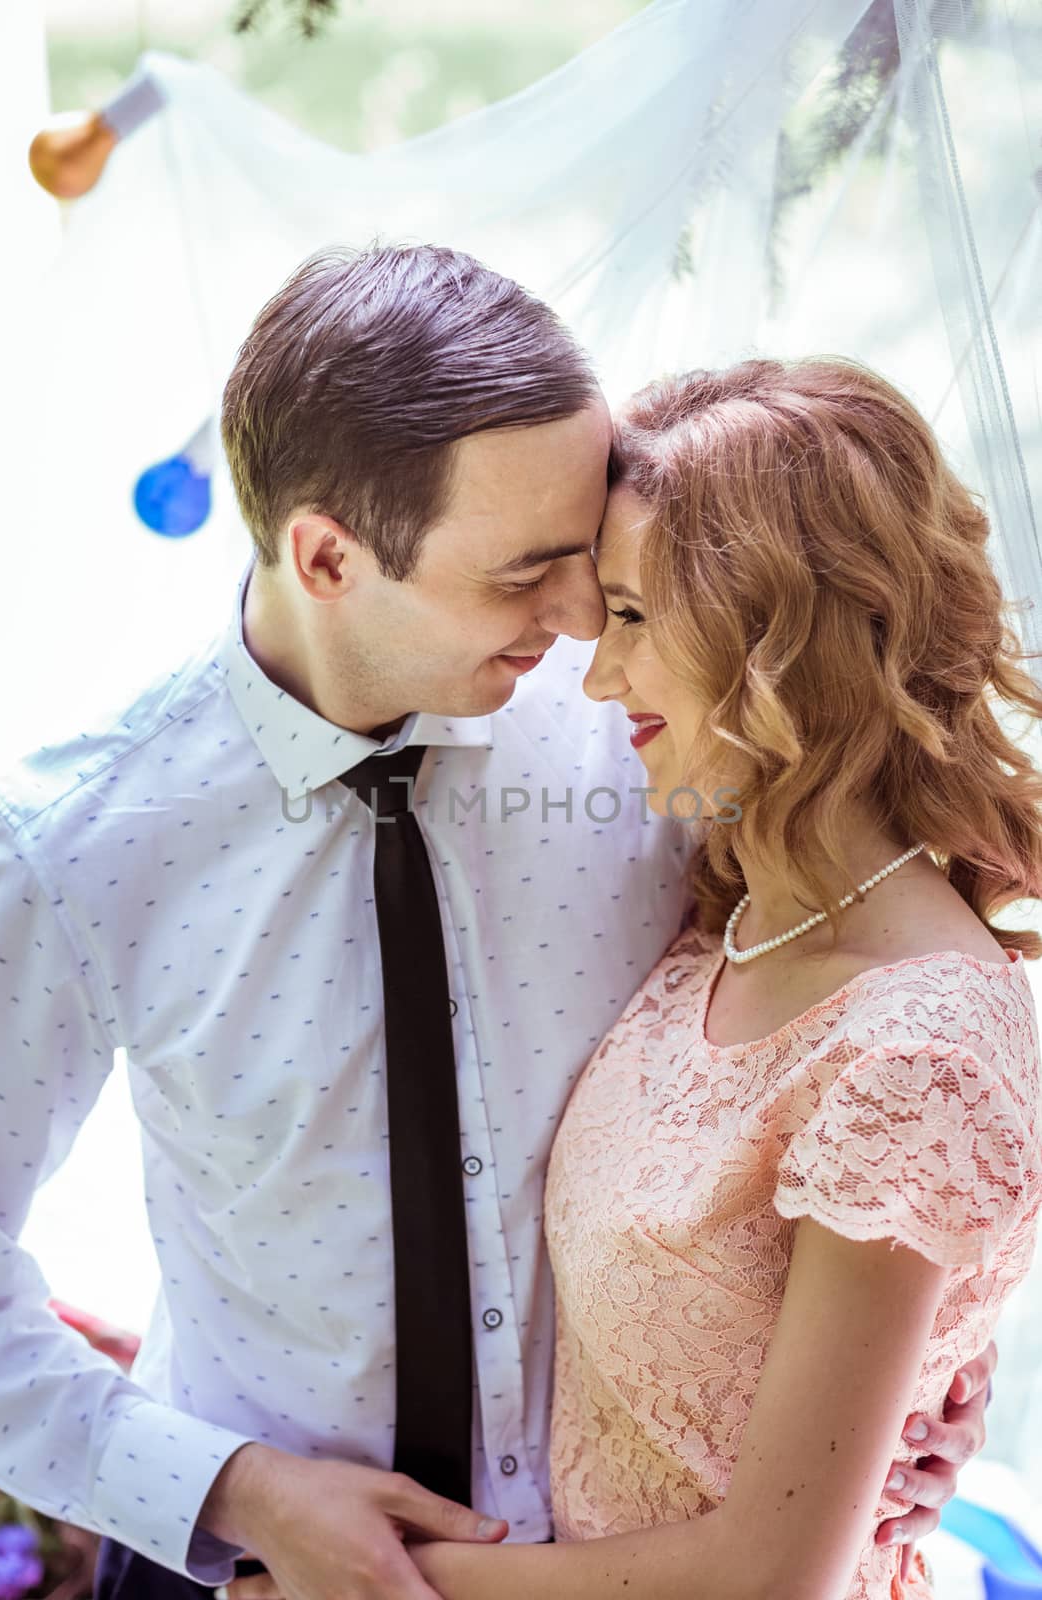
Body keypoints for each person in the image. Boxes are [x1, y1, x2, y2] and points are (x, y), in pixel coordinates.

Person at [0, 250, 993, 1600]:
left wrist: (909, 1384)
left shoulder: (652, 723)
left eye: (588, 562)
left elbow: (855, 1033)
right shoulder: (76, 845)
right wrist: (231, 1493)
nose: (578, 618)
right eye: (527, 575)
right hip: (252, 1576)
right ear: (328, 556)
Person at [399, 358, 1042, 1600]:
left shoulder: (919, 1049)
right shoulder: (732, 903)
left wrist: (374, 1582)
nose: (595, 678)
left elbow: (768, 1575)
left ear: (776, 631)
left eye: (632, 617)